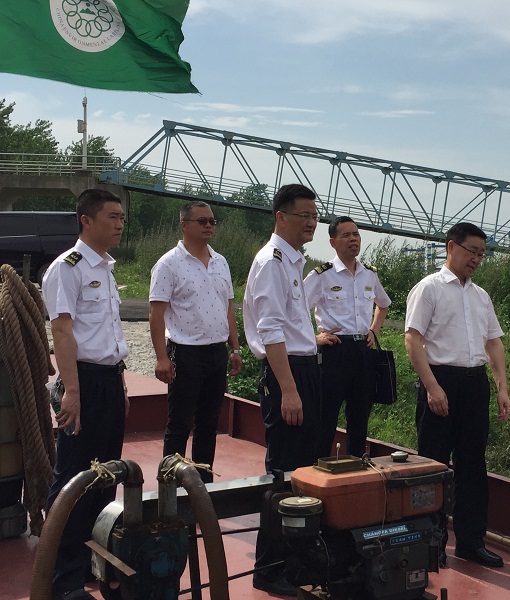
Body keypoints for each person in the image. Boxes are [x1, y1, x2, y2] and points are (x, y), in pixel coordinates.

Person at [243, 183, 335, 596]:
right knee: (283, 474)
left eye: (315, 216)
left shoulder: (293, 261)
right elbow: (270, 330)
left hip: (304, 369)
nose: (312, 222)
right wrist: (290, 390)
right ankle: (270, 567)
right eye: (304, 216)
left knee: (304, 468)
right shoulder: (272, 261)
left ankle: (297, 562)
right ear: (281, 217)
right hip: (288, 374)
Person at [405, 222, 510, 569]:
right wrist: (432, 387)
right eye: (472, 251)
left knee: (473, 465)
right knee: (433, 466)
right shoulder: (429, 288)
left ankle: (470, 542)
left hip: (474, 385)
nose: (476, 259)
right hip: (441, 381)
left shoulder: (480, 296)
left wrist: (502, 387)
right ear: (452, 247)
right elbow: (413, 339)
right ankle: (430, 543)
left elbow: (493, 342)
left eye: (482, 254)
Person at [42, 188, 129, 600]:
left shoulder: (106, 268)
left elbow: (108, 334)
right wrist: (72, 391)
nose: (120, 224)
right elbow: (62, 330)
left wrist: (121, 385)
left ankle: (94, 564)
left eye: (122, 218)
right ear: (86, 220)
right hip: (83, 383)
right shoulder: (68, 268)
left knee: (106, 478)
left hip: (109, 380)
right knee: (74, 480)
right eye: (112, 216)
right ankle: (64, 578)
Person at [149, 201, 242, 484]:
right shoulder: (168, 264)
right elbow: (156, 313)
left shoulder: (220, 262)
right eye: (202, 221)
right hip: (185, 353)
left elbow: (228, 307)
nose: (209, 226)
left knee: (208, 425)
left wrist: (235, 348)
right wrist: (162, 358)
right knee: (179, 424)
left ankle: (203, 487)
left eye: (212, 221)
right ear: (184, 225)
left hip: (216, 353)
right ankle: (170, 489)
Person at [304, 216, 391, 458]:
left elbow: (383, 304)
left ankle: (356, 467)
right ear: (333, 242)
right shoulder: (322, 275)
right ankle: (318, 468)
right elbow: (295, 310)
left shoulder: (369, 274)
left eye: (356, 234)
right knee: (325, 417)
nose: (353, 239)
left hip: (363, 352)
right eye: (346, 235)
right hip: (334, 351)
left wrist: (373, 330)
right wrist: (313, 338)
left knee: (360, 417)